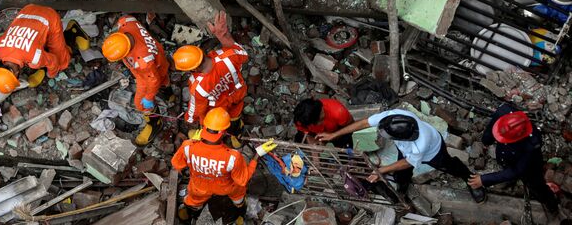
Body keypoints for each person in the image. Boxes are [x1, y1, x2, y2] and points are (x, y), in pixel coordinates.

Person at [316, 109, 487, 203]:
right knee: (401, 173)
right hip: (404, 150)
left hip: (433, 152)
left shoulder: (421, 144)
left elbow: (408, 162)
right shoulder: (393, 117)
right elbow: (363, 123)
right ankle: (402, 188)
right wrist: (335, 135)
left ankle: (471, 180)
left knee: (450, 165)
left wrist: (381, 170)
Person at [171, 107, 277, 224]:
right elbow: (243, 180)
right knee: (239, 196)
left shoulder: (187, 146)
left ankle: (186, 216)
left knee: (193, 203)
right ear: (223, 132)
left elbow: (177, 164)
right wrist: (257, 154)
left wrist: (195, 148)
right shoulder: (232, 156)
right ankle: (239, 214)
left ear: (204, 127)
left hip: (199, 187)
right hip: (226, 188)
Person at [468, 103, 560, 216]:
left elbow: (517, 170)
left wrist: (484, 179)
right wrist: (486, 140)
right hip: (507, 156)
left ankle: (551, 204)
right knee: (507, 167)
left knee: (537, 185)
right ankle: (510, 179)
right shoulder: (504, 111)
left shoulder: (531, 145)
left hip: (530, 167)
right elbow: (491, 129)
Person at [172, 11, 248, 148]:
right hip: (237, 95)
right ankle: (237, 136)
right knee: (235, 116)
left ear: (193, 69)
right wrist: (223, 36)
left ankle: (215, 137)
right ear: (201, 51)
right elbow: (242, 54)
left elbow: (197, 108)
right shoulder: (227, 57)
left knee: (210, 120)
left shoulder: (198, 86)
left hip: (219, 109)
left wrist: (189, 119)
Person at [0, 4, 84, 94]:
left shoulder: (35, 58)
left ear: (17, 73)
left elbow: (53, 61)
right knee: (40, 56)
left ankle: (73, 30)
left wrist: (51, 74)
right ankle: (44, 61)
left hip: (49, 17)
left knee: (62, 62)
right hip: (27, 10)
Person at [101, 15, 170, 145]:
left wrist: (149, 97)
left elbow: (153, 80)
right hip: (159, 57)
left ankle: (155, 124)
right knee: (165, 81)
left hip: (152, 70)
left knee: (141, 104)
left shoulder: (143, 62)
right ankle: (169, 94)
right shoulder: (127, 22)